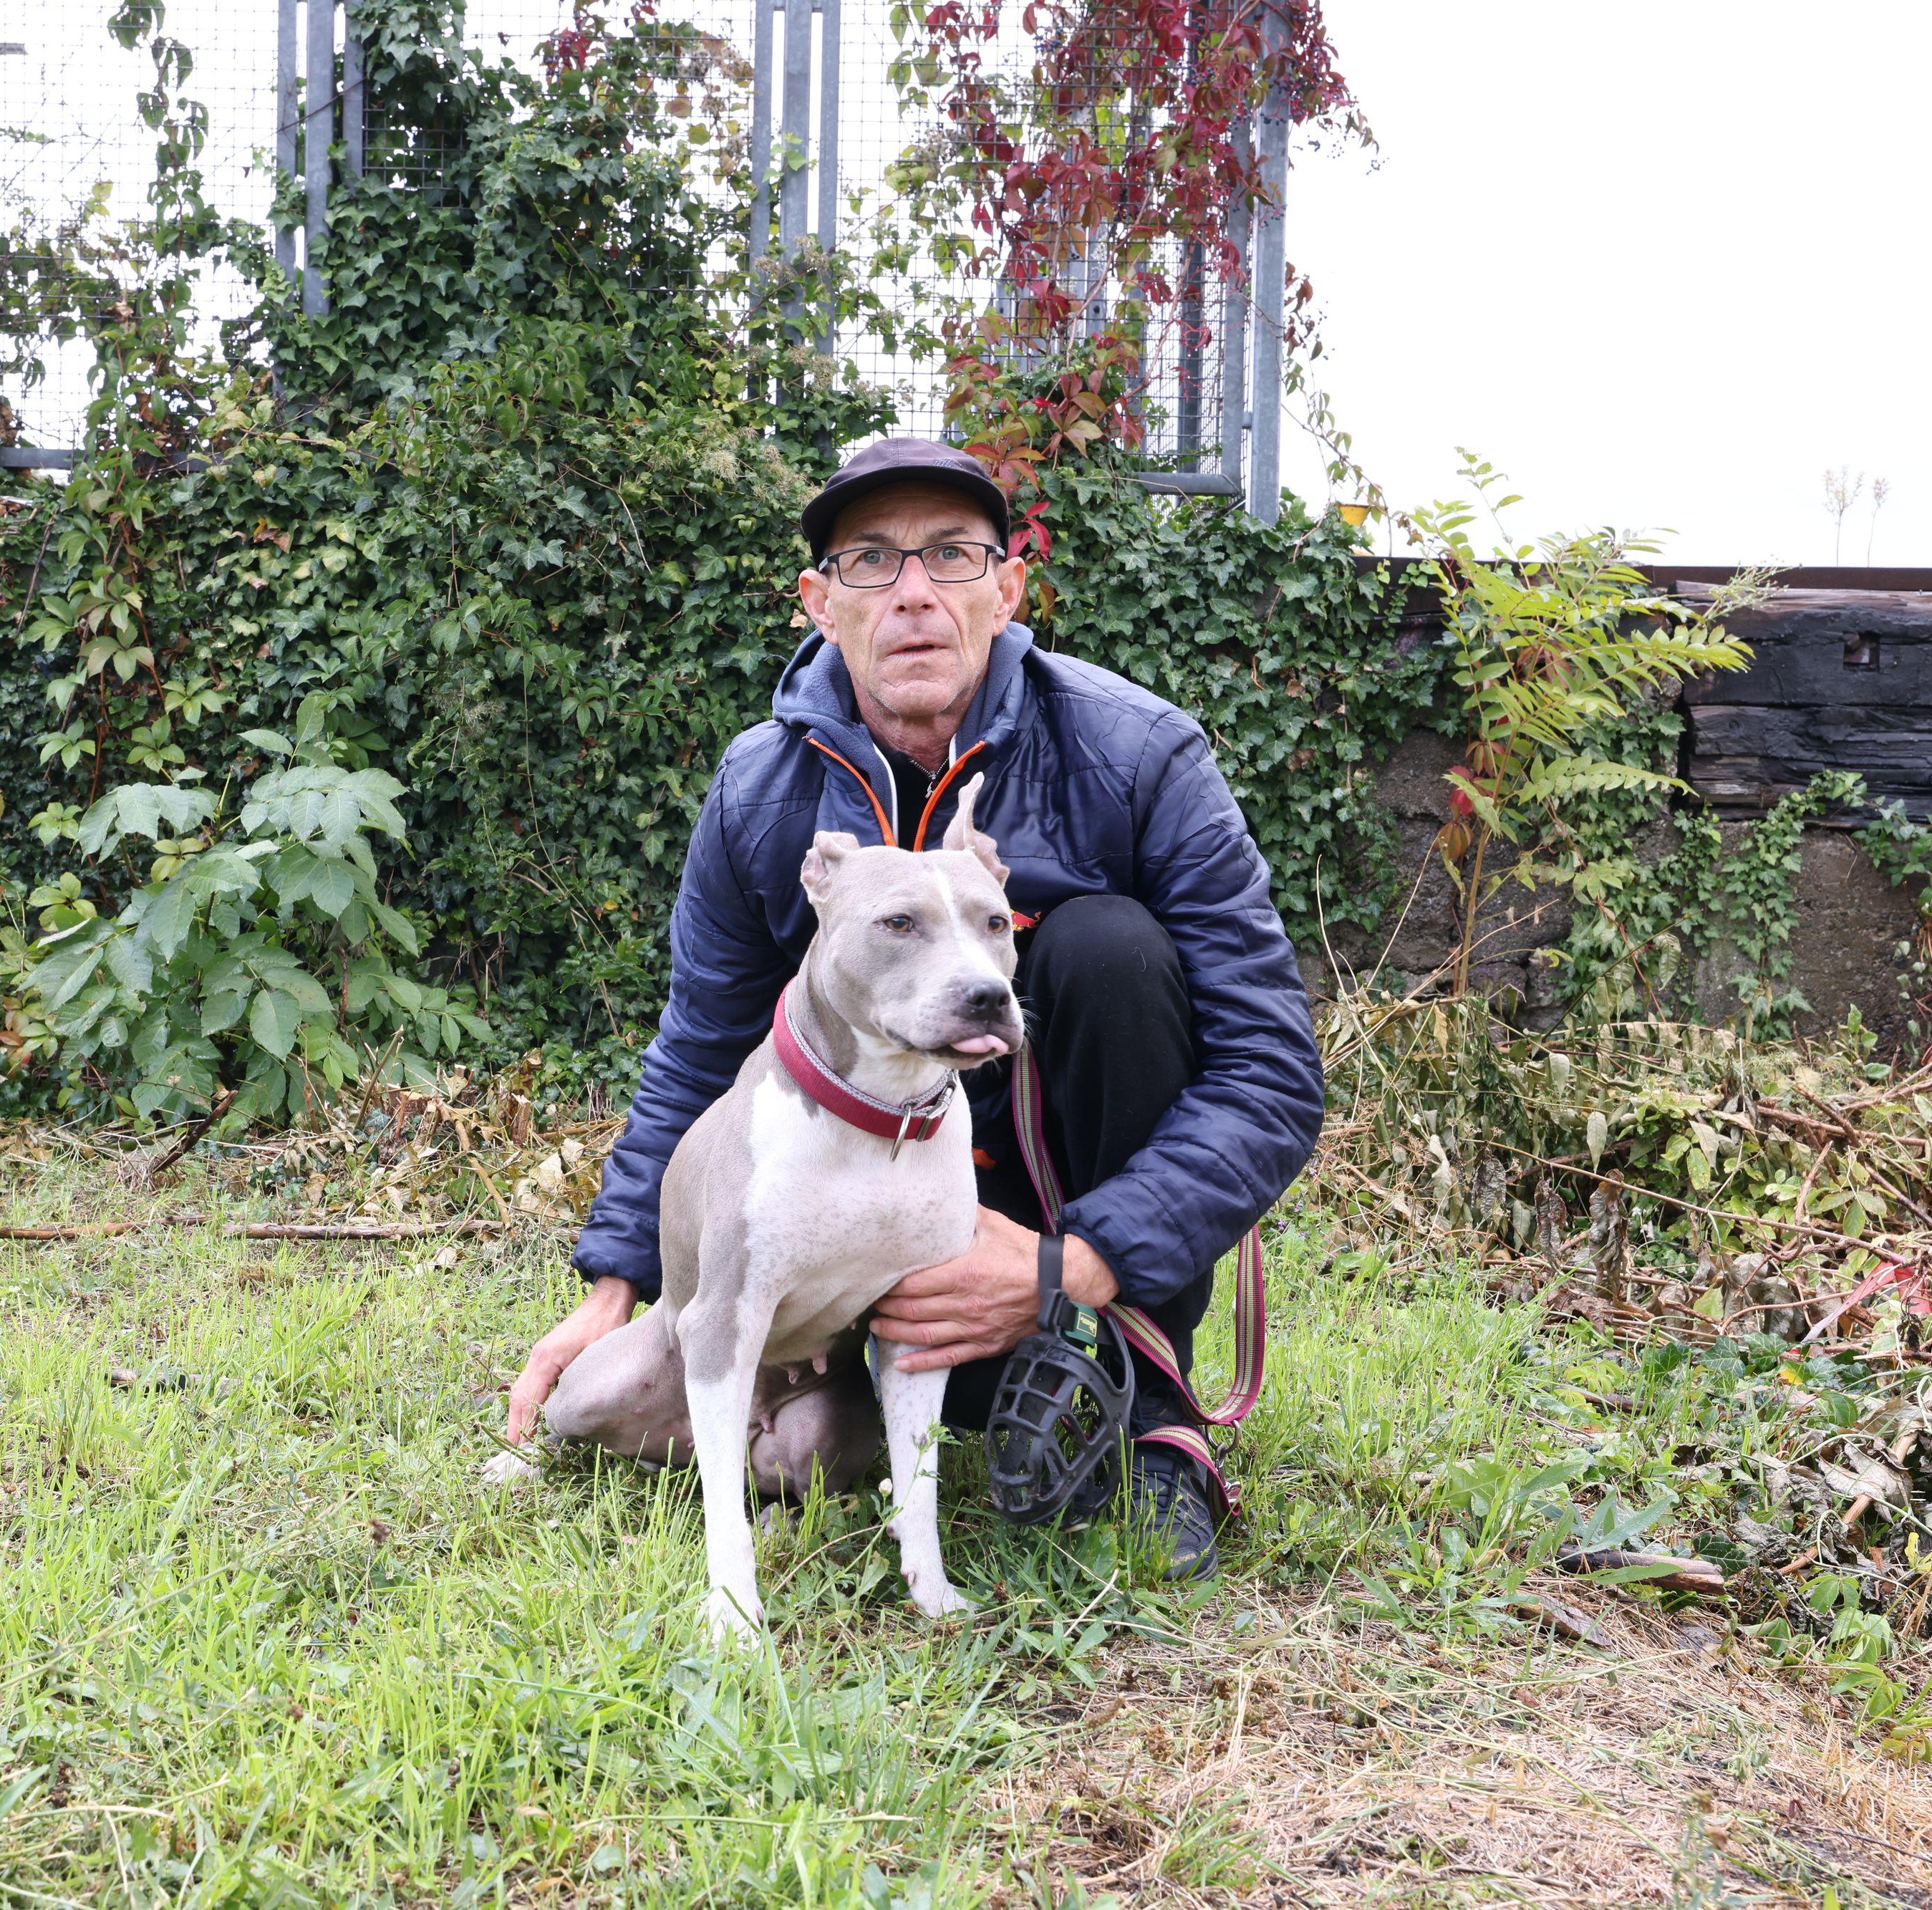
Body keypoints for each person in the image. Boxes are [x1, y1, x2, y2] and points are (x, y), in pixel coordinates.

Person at [503, 437, 1325, 1574]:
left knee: (1103, 947)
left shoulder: (1139, 755)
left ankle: (1152, 1421)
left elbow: (1271, 1074)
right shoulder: (760, 791)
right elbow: (700, 1060)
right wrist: (618, 1282)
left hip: (1059, 1219)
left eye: (952, 555)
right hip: (849, 1255)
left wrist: (1071, 1263)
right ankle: (857, 1397)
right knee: (687, 1397)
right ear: (819, 603)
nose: (916, 595)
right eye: (873, 562)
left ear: (1009, 587)